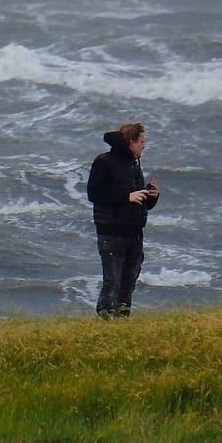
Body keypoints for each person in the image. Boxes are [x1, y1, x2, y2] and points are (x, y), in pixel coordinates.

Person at [86, 122, 159, 318]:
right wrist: (126, 197)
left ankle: (121, 322)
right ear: (131, 141)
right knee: (112, 282)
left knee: (128, 283)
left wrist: (151, 196)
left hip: (134, 234)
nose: (144, 146)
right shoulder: (104, 161)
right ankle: (105, 320)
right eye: (141, 142)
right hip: (111, 233)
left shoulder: (133, 165)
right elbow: (94, 194)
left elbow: (139, 201)